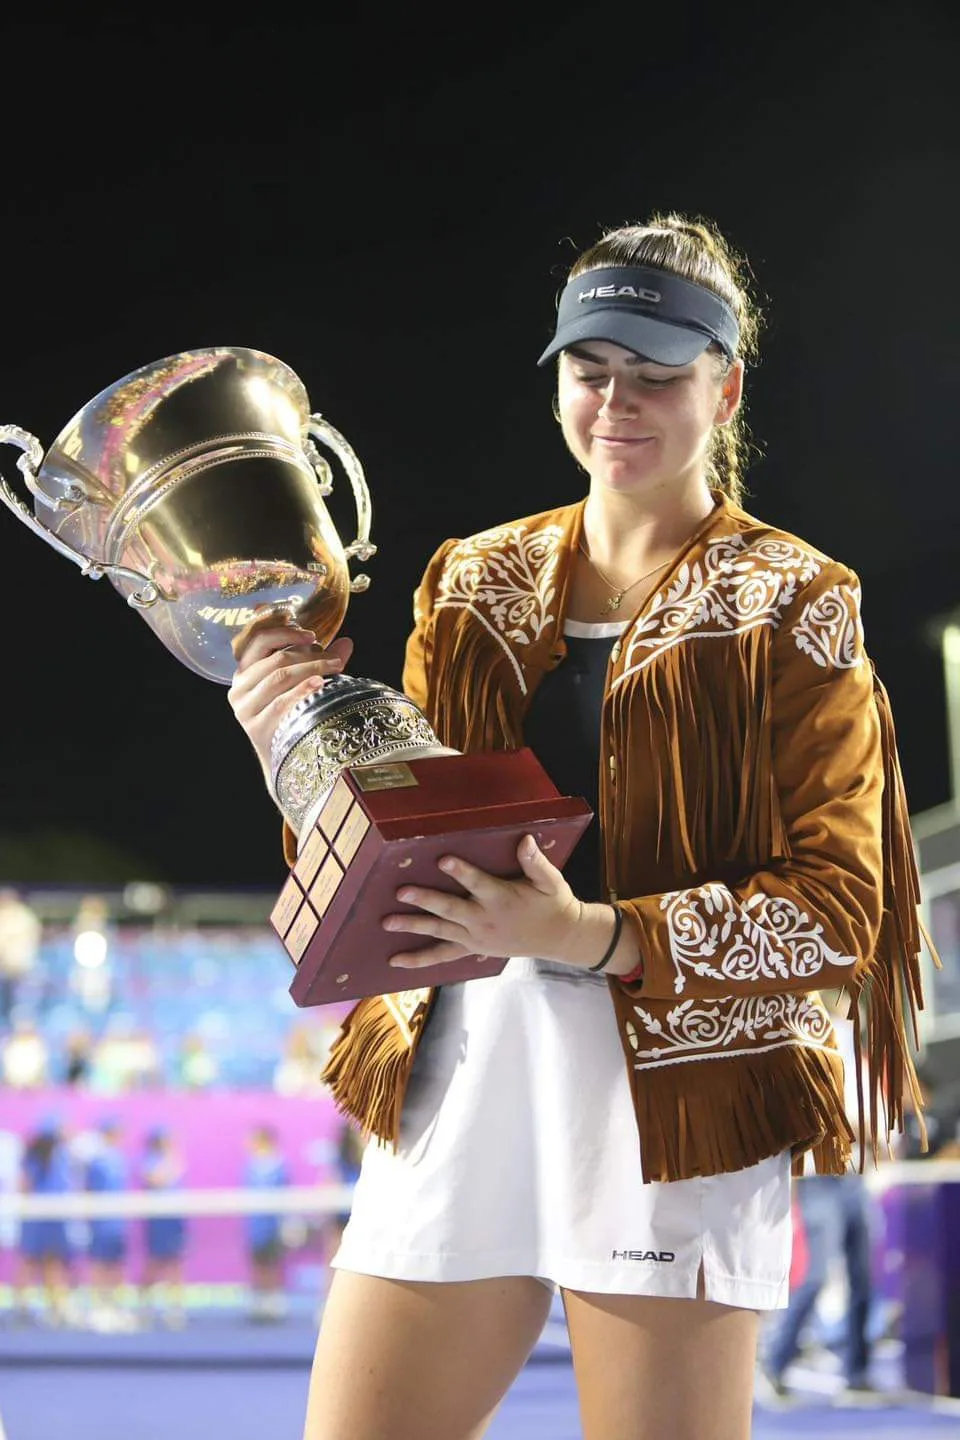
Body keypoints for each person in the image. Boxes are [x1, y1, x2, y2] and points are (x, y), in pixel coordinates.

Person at [227, 213, 931, 1440]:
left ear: (726, 386)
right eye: (590, 370)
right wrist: (292, 736)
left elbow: (840, 912)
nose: (618, 402)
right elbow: (385, 853)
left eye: (658, 374)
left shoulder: (797, 602)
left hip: (687, 1095)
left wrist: (592, 933)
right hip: (463, 1063)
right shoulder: (471, 579)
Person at [15, 1114, 78, 1326]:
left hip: (55, 1216)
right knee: (31, 1262)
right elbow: (24, 1185)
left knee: (53, 1262)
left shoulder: (62, 1154)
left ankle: (56, 1307)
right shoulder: (35, 1156)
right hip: (38, 1216)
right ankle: (22, 1307)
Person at [83, 1115, 134, 1331]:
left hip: (117, 1221)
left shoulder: (120, 1159)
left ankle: (115, 1306)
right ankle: (99, 1307)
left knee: (116, 1264)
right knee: (99, 1264)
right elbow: (90, 1190)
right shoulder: (98, 1161)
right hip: (101, 1221)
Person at [138, 1125, 188, 1329]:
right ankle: (145, 1306)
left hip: (174, 1219)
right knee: (154, 1263)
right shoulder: (149, 1161)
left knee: (175, 1263)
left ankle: (175, 1308)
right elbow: (156, 1180)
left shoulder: (175, 1160)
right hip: (158, 1219)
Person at [242, 1123, 291, 1322]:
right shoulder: (250, 1165)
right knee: (257, 1263)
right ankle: (258, 1303)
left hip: (273, 1225)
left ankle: (274, 1303)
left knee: (272, 1264)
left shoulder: (279, 1164)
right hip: (255, 1226)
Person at [0, 887, 41, 1024]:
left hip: (22, 968)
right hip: (4, 969)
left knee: (22, 1007)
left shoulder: (25, 917)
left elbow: (33, 940)